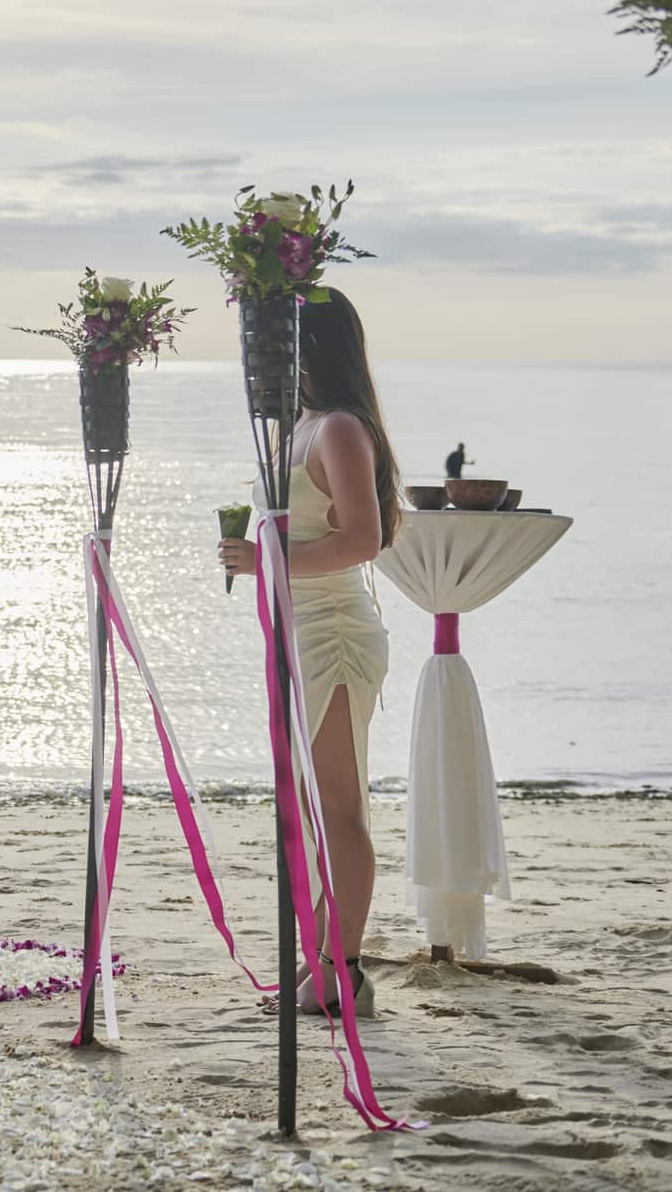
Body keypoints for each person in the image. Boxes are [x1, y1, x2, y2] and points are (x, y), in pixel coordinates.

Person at [219, 288, 402, 1018]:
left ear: (310, 345)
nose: (266, 354)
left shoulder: (341, 429)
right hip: (297, 631)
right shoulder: (295, 427)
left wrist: (269, 561)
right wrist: (253, 556)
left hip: (335, 632)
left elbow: (365, 538)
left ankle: (343, 968)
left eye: (279, 339)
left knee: (339, 806)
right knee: (309, 807)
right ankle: (320, 955)